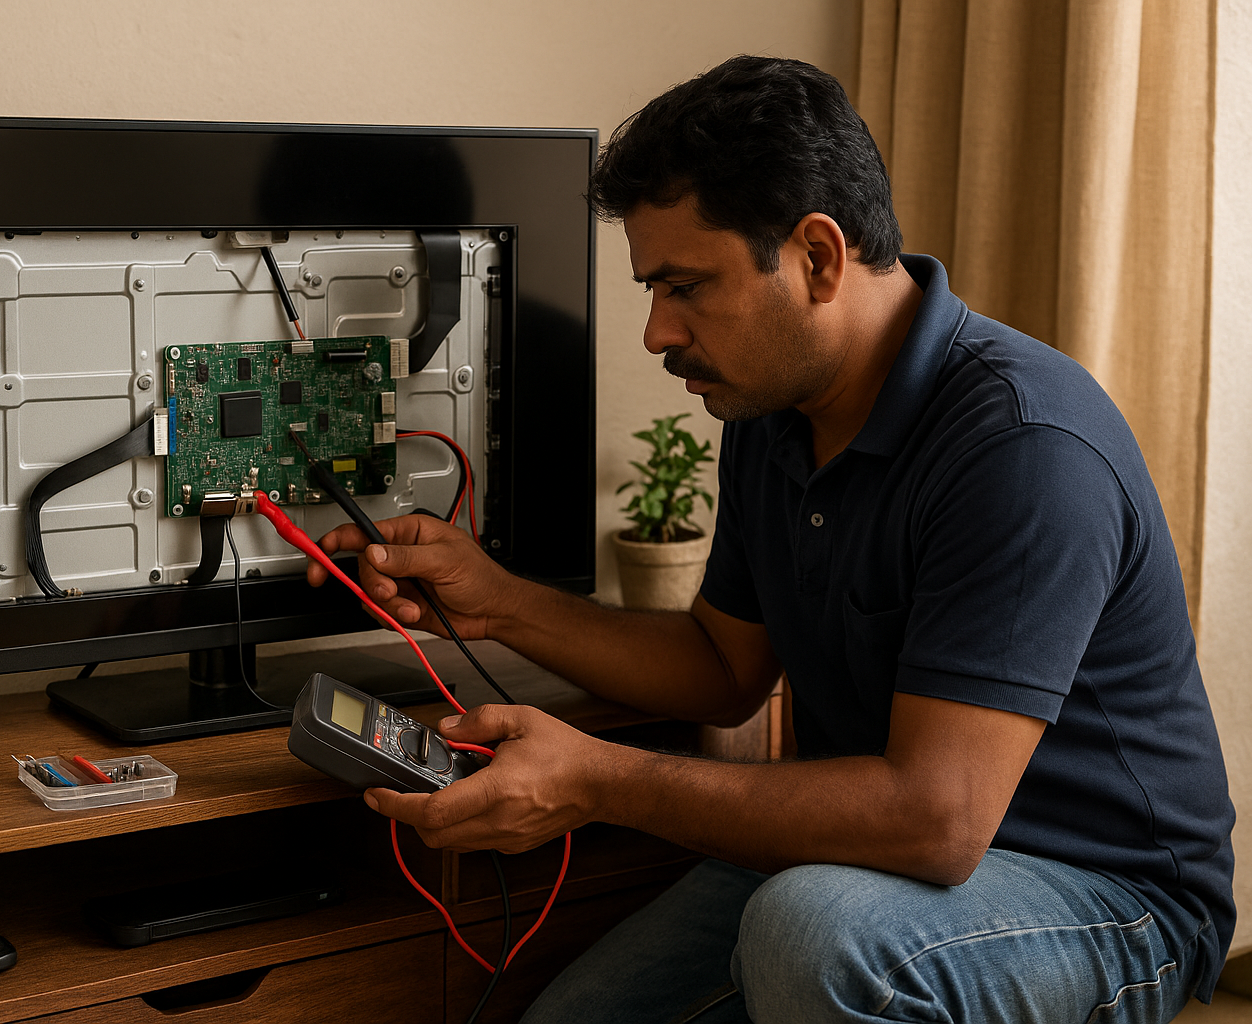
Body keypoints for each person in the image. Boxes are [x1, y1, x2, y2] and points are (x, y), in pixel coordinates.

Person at [306, 55, 1235, 1023]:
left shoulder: (1021, 443)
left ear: (819, 258)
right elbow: (721, 665)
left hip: (1101, 894)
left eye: (686, 286)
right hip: (868, 860)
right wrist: (498, 601)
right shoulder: (771, 414)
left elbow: (938, 821)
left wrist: (600, 780)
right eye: (650, 290)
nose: (656, 333)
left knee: (813, 930)